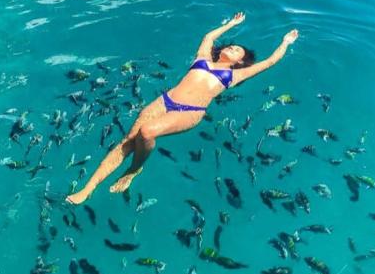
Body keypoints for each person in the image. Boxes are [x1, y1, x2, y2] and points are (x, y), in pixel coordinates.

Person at [65, 12, 299, 204]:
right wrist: (230, 24)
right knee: (128, 139)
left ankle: (134, 170)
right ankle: (88, 188)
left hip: (189, 111)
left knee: (147, 132)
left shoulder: (234, 75)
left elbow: (269, 62)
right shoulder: (202, 59)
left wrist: (285, 42)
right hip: (165, 100)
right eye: (233, 46)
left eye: (238, 51)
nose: (233, 49)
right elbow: (208, 36)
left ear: (239, 61)